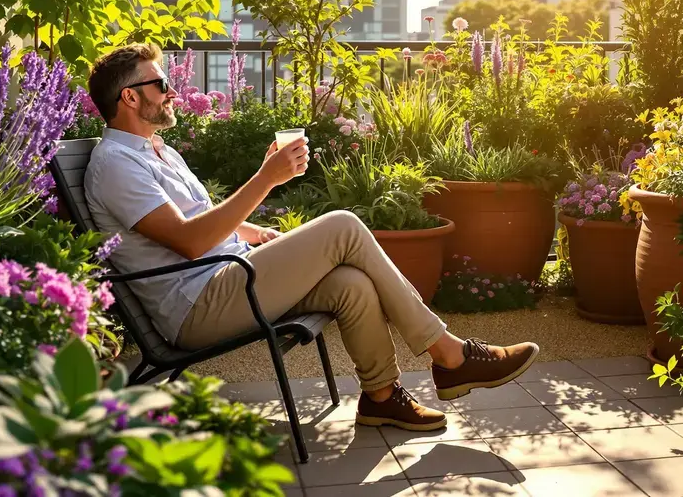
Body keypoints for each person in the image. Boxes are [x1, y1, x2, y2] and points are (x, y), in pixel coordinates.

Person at [83, 44, 539, 431]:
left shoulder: (158, 152)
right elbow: (188, 242)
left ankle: (381, 396)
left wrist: (255, 229)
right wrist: (265, 179)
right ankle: (450, 354)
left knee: (349, 284)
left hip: (229, 277)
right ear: (129, 97)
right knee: (342, 224)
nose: (172, 92)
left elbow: (198, 217)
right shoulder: (118, 165)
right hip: (197, 305)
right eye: (161, 84)